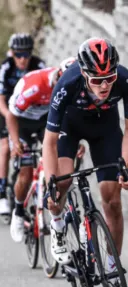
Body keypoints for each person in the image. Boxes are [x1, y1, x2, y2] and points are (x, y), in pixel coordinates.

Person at [43, 38, 128, 287]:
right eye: (96, 80)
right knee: (62, 181)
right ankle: (59, 223)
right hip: (68, 129)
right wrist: (51, 181)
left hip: (104, 130)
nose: (104, 85)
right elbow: (49, 142)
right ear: (84, 74)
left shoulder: (127, 82)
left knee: (112, 199)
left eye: (109, 78)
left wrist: (125, 166)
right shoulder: (67, 85)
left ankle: (112, 271)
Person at [5, 57, 77, 242]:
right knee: (26, 172)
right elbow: (11, 116)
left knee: (58, 158)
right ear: (58, 77)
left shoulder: (72, 88)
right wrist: (15, 141)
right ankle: (19, 211)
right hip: (22, 124)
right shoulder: (35, 86)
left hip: (46, 123)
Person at [0, 33, 45, 217]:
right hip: (8, 110)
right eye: (18, 55)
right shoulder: (6, 67)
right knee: (4, 147)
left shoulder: (38, 65)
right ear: (12, 53)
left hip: (31, 112)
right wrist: (8, 115)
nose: (22, 59)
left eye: (26, 55)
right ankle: (2, 193)